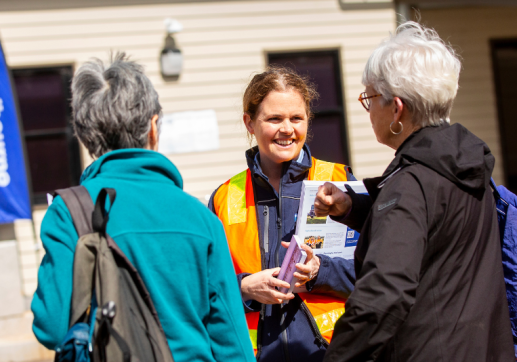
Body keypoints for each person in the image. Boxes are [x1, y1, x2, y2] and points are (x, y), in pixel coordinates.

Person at [31, 53, 255, 362]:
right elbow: (233, 343)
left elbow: (53, 327)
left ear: (85, 136)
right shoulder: (201, 218)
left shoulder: (69, 213)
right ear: (153, 127)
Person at [316, 22, 514, 361]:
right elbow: (437, 228)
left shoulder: (411, 184)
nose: (368, 111)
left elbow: (382, 295)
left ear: (397, 109)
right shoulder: (464, 166)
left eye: (369, 99)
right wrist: (354, 206)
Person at [208, 66, 356, 362]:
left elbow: (374, 272)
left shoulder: (339, 181)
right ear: (249, 123)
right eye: (274, 119)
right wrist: (245, 287)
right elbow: (206, 286)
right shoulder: (226, 197)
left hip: (334, 352)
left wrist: (319, 272)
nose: (287, 129)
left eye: (296, 118)